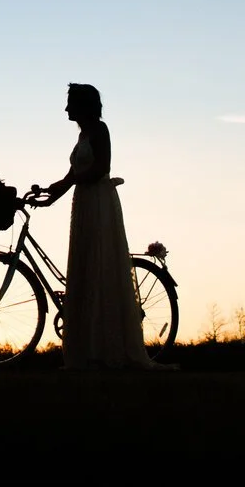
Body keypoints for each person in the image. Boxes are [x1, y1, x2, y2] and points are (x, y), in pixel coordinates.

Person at [33, 83, 162, 370]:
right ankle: (89, 349)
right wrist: (51, 194)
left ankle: (108, 348)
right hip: (84, 202)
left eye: (70, 103)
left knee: (100, 263)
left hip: (100, 203)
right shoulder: (82, 134)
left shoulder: (100, 130)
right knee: (85, 264)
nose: (66, 109)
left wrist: (69, 182)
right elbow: (73, 173)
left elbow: (101, 167)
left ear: (83, 105)